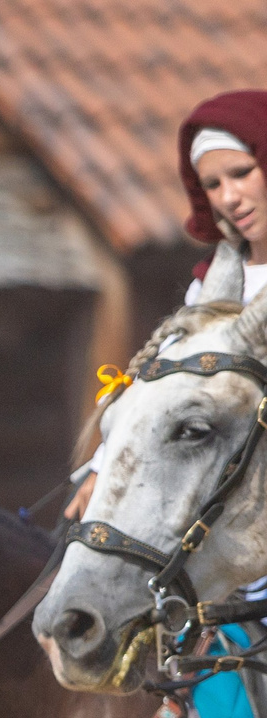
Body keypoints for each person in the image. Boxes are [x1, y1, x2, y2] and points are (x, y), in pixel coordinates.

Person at [67, 91, 267, 520]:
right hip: (206, 503)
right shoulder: (210, 288)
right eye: (213, 184)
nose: (229, 197)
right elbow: (163, 397)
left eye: (241, 173)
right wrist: (103, 469)